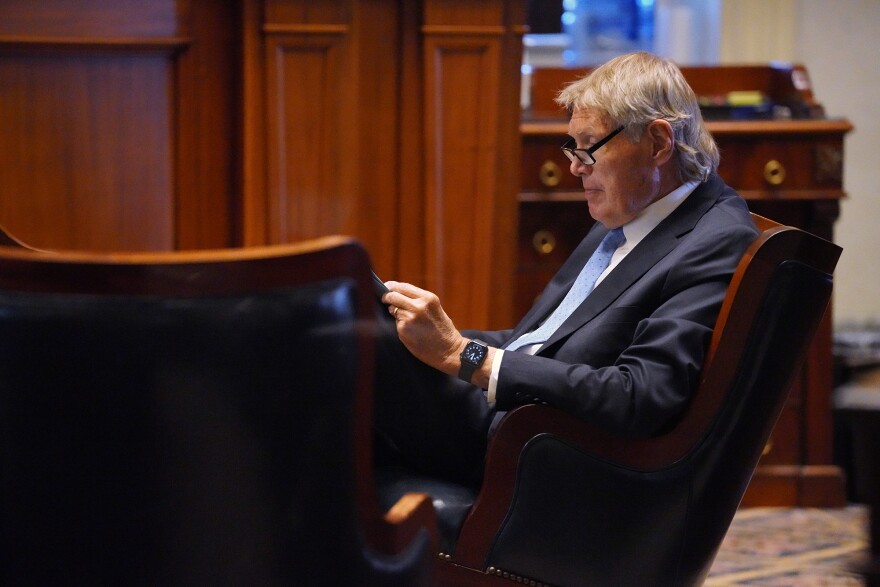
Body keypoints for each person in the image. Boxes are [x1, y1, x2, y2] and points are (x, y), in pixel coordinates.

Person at [374, 51, 759, 487]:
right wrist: (444, 339)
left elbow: (639, 395)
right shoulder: (630, 211)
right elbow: (538, 343)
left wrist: (465, 356)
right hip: (503, 414)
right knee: (365, 329)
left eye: (589, 147)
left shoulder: (714, 240)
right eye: (571, 148)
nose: (575, 166)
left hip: (533, 448)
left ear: (658, 143)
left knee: (333, 345)